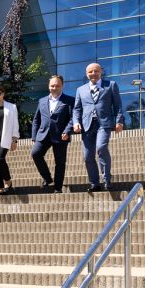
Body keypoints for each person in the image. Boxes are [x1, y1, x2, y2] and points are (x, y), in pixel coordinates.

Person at [72, 62, 125, 193]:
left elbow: (117, 105)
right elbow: (77, 109)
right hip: (87, 125)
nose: (93, 73)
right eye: (90, 72)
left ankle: (107, 179)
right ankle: (94, 183)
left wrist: (119, 121)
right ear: (86, 74)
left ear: (101, 72)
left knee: (101, 147)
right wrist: (76, 122)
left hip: (104, 123)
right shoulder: (80, 90)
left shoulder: (110, 85)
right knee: (87, 156)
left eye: (96, 71)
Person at [30, 75, 75, 192]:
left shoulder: (70, 100)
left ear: (62, 86)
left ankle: (58, 188)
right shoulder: (42, 100)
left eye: (57, 86)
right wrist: (34, 136)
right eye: (52, 86)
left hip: (61, 135)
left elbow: (73, 118)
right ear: (48, 86)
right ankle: (47, 178)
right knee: (35, 154)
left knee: (60, 162)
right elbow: (36, 119)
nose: (54, 88)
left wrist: (67, 131)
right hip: (43, 134)